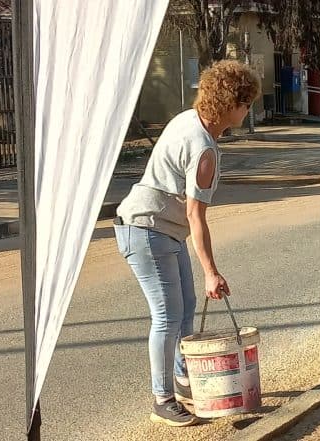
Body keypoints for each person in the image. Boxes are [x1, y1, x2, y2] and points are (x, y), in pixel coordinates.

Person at [114, 60, 261, 427]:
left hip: (161, 228)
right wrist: (211, 272)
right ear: (231, 104)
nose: (248, 110)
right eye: (246, 103)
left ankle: (184, 380)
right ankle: (162, 399)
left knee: (186, 307)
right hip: (147, 229)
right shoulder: (204, 149)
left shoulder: (188, 119)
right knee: (167, 316)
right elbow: (197, 217)